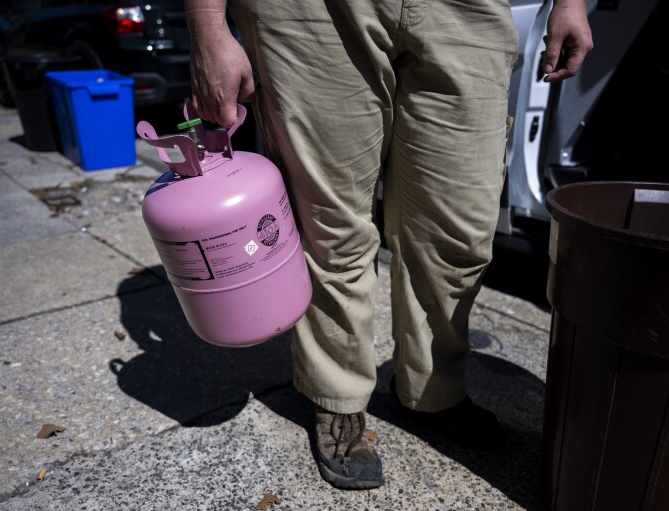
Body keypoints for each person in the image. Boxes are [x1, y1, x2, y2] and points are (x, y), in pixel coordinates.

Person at [185, 0, 593, 490]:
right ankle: (338, 399)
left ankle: (432, 390)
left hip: (465, 10)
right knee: (328, 227)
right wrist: (207, 25)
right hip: (310, 12)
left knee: (457, 233)